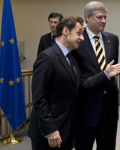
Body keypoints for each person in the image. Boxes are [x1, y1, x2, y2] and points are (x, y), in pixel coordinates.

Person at [72, 1, 120, 150]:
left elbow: (112, 69)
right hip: (86, 108)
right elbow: (79, 79)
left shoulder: (112, 39)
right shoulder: (77, 40)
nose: (104, 21)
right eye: (99, 17)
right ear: (87, 18)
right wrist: (105, 75)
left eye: (105, 17)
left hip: (109, 109)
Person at [28, 16, 84, 150]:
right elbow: (39, 98)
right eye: (79, 33)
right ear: (66, 31)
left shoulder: (71, 58)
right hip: (49, 134)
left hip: (65, 130)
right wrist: (50, 130)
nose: (82, 38)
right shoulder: (47, 57)